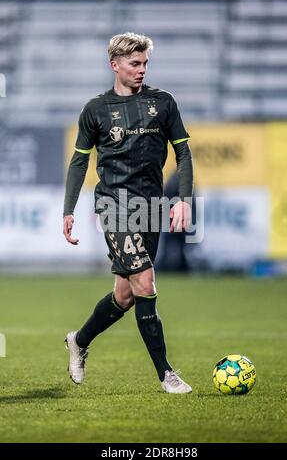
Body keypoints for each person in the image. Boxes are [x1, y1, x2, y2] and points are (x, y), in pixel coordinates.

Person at [63, 32, 194, 393]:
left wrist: (183, 198)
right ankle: (166, 373)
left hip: (151, 206)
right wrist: (68, 210)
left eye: (145, 63)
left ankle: (79, 340)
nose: (141, 70)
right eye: (134, 63)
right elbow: (78, 161)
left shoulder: (163, 103)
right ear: (115, 65)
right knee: (147, 282)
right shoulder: (96, 110)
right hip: (113, 206)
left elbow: (184, 153)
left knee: (125, 294)